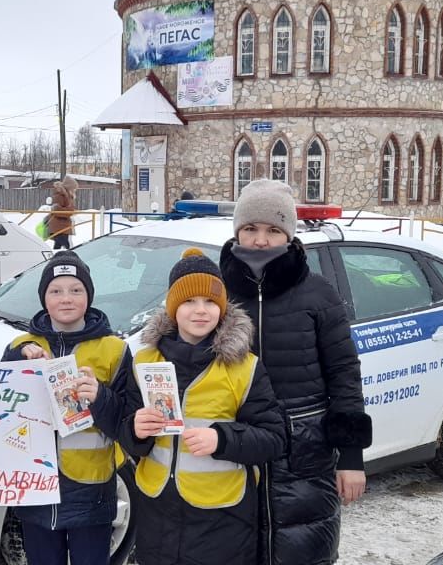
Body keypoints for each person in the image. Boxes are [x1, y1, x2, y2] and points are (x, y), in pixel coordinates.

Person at [218, 180, 370, 565]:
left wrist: (351, 457)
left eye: (273, 230)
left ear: (289, 234)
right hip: (237, 446)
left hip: (304, 450)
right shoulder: (216, 295)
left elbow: (345, 374)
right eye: (250, 228)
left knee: (303, 551)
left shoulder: (318, 294)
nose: (260, 240)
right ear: (237, 231)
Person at [121, 248, 286, 565]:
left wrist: (222, 439)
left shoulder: (244, 367)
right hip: (157, 516)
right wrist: (135, 429)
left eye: (210, 301)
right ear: (172, 308)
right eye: (188, 301)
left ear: (222, 308)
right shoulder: (145, 360)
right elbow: (131, 440)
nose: (201, 311)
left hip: (222, 522)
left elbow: (274, 439)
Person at [2, 250, 132, 565]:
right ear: (43, 298)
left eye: (76, 290)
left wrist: (100, 396)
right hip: (36, 487)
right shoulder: (21, 346)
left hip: (91, 489)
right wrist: (19, 363)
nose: (66, 299)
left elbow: (128, 422)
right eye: (56, 291)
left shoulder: (114, 350)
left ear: (89, 295)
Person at [48, 177, 79, 250]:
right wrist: (70, 211)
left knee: (58, 246)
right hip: (59, 225)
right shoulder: (60, 195)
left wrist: (71, 210)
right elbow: (56, 210)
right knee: (66, 246)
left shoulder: (67, 195)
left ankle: (55, 259)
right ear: (69, 187)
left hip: (63, 226)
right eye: (73, 188)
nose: (74, 191)